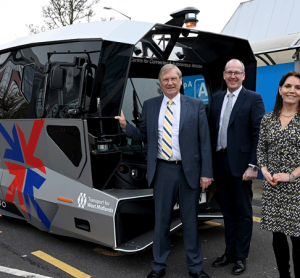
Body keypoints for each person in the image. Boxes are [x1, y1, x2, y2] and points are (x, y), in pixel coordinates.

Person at [115, 64, 213, 278]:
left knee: (190, 221)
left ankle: (195, 268)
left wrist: (206, 172)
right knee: (161, 221)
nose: (169, 83)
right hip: (163, 170)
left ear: (180, 81)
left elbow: (204, 141)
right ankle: (158, 267)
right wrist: (125, 126)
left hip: (189, 171)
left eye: (173, 79)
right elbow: (142, 136)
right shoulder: (150, 106)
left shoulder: (195, 105)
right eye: (165, 79)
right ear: (160, 83)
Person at [209, 59, 265, 275]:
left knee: (243, 213)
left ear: (243, 75)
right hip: (220, 163)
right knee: (227, 212)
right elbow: (212, 132)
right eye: (229, 72)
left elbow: (258, 135)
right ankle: (229, 252)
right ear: (224, 75)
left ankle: (241, 257)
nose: (233, 76)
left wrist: (254, 165)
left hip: (242, 166)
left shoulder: (253, 98)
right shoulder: (216, 99)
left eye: (237, 73)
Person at [257, 71, 300, 278]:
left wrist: (291, 176)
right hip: (273, 186)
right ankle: (284, 276)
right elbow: (261, 150)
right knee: (278, 237)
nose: (293, 90)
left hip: (297, 188)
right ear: (280, 89)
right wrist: (265, 171)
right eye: (288, 86)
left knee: (298, 240)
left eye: (298, 88)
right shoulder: (268, 119)